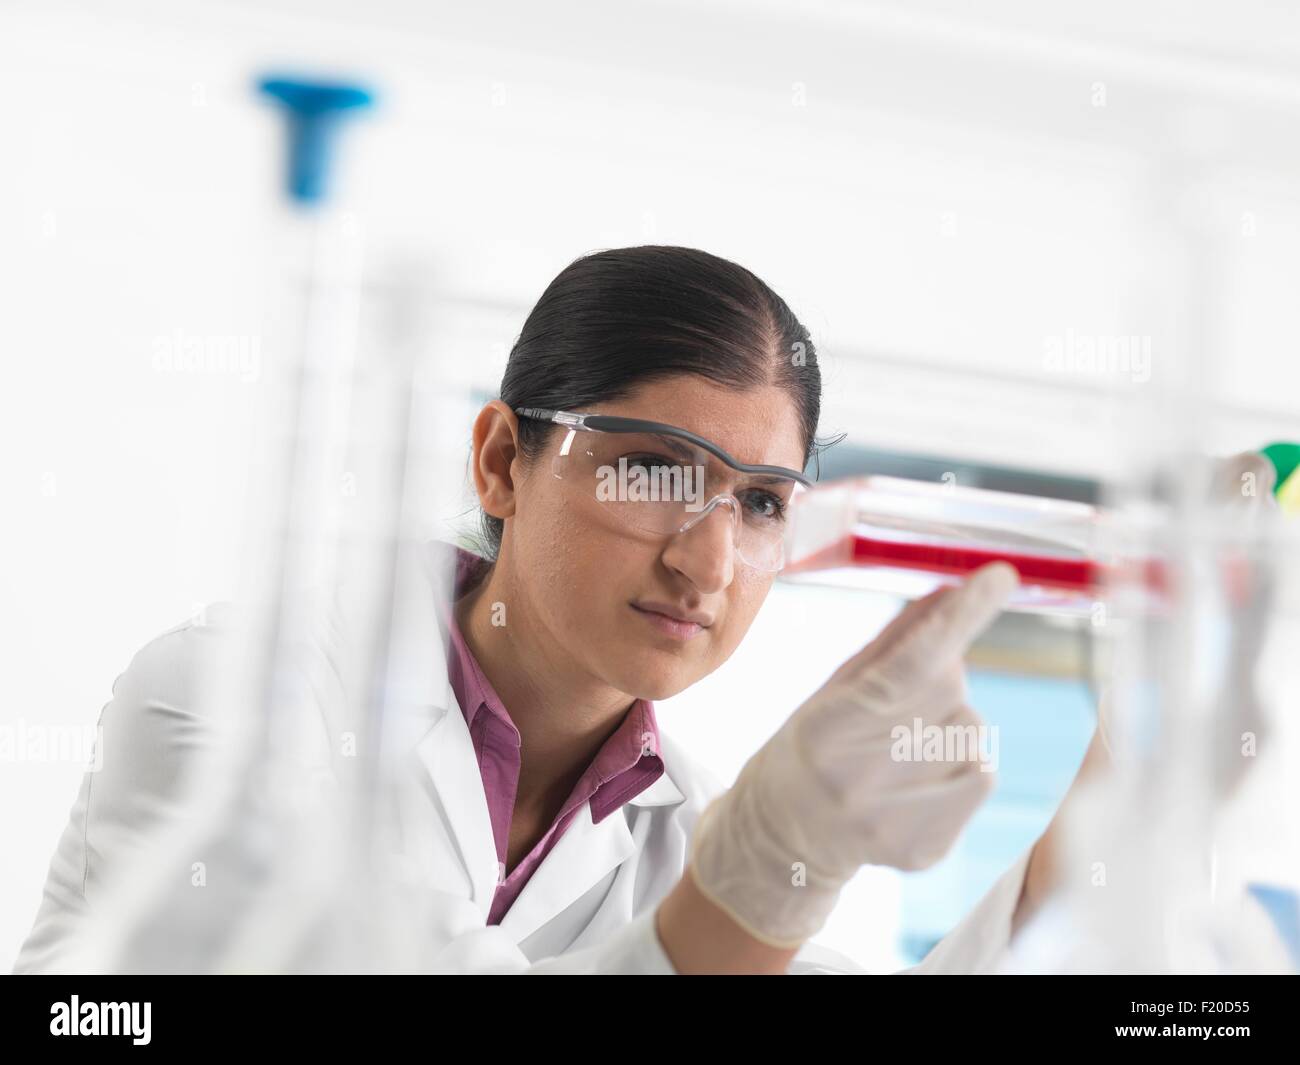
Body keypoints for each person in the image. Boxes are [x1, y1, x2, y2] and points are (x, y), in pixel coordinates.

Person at [16, 246, 1051, 974]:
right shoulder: (234, 697)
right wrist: (772, 873)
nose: (708, 558)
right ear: (503, 462)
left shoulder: (684, 837)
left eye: (763, 503)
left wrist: (1146, 764)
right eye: (651, 470)